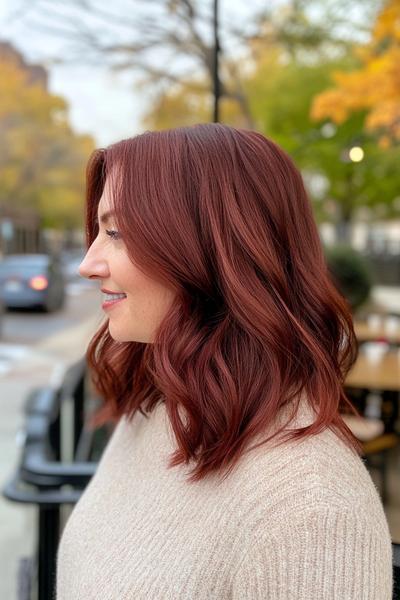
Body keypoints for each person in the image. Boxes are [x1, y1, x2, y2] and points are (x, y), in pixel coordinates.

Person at [56, 123, 393, 599]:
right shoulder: (159, 406)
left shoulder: (310, 514)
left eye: (116, 232)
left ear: (212, 251)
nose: (87, 263)